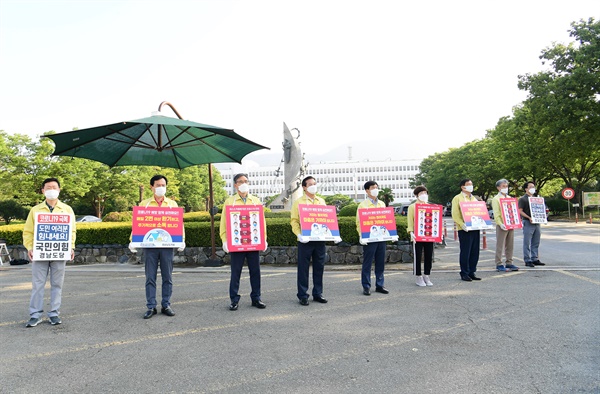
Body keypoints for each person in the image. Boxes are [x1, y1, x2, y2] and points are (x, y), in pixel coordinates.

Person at [23, 178, 76, 327]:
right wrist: (29, 248)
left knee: (57, 284)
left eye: (54, 187)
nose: (51, 189)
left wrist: (71, 247)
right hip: (40, 252)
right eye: (48, 187)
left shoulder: (67, 209)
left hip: (59, 253)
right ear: (43, 190)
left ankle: (54, 313)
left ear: (59, 190)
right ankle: (35, 315)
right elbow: (28, 232)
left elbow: (71, 231)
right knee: (38, 284)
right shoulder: (35, 210)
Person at [129, 175, 185, 319]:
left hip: (167, 246)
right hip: (150, 246)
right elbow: (137, 224)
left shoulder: (172, 204)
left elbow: (179, 224)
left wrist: (182, 240)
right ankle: (151, 306)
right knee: (150, 277)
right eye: (158, 185)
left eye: (163, 185)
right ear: (151, 187)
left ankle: (166, 304)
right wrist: (132, 240)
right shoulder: (144, 205)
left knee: (168, 276)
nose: (161, 188)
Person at [220, 173, 267, 311]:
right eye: (240, 181)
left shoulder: (255, 201)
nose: (243, 183)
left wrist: (264, 238)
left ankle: (256, 298)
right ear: (235, 185)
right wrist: (224, 240)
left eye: (246, 181)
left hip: (253, 243)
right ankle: (234, 300)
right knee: (236, 272)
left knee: (255, 272)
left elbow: (261, 222)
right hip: (237, 244)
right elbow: (224, 223)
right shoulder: (230, 202)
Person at [290, 176, 328, 306]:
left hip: (320, 240)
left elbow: (327, 220)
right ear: (304, 187)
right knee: (303, 268)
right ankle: (303, 295)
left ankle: (318, 293)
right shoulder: (298, 202)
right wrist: (299, 234)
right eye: (310, 184)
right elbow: (294, 221)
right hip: (305, 240)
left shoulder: (321, 201)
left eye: (315, 183)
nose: (313, 186)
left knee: (319, 267)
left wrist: (333, 233)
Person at [356, 181, 389, 295]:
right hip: (369, 238)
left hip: (381, 238)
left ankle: (380, 285)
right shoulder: (363, 205)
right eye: (372, 188)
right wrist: (361, 235)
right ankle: (366, 286)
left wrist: (390, 233)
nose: (375, 189)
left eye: (376, 187)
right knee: (368, 262)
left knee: (380, 262)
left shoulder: (382, 204)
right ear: (367, 190)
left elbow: (386, 220)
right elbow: (359, 222)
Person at [451, 179, 482, 281]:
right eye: (468, 185)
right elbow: (455, 214)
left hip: (475, 227)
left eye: (471, 184)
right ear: (462, 187)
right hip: (464, 229)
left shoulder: (474, 199)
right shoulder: (457, 198)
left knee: (475, 251)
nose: (471, 186)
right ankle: (464, 272)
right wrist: (461, 224)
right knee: (466, 251)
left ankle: (472, 271)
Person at [406, 185, 434, 287]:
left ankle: (427, 275)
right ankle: (418, 276)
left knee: (429, 255)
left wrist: (438, 233)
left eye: (425, 193)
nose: (424, 195)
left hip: (429, 236)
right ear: (417, 195)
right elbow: (410, 221)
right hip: (417, 236)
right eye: (421, 193)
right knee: (417, 256)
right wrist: (411, 232)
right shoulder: (412, 207)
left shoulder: (430, 206)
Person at [492, 179, 519, 272]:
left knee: (510, 244)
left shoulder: (509, 197)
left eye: (506, 186)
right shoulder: (496, 199)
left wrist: (517, 221)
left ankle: (509, 262)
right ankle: (499, 263)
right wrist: (500, 223)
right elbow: (496, 213)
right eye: (503, 186)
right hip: (502, 224)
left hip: (511, 224)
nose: (505, 188)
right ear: (498, 188)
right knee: (500, 245)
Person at [518, 181, 545, 268]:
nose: (533, 188)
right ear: (526, 189)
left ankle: (535, 258)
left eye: (533, 187)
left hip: (537, 222)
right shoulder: (523, 199)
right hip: (528, 222)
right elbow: (520, 211)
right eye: (530, 187)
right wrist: (529, 217)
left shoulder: (536, 199)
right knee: (527, 242)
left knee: (536, 241)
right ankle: (527, 259)